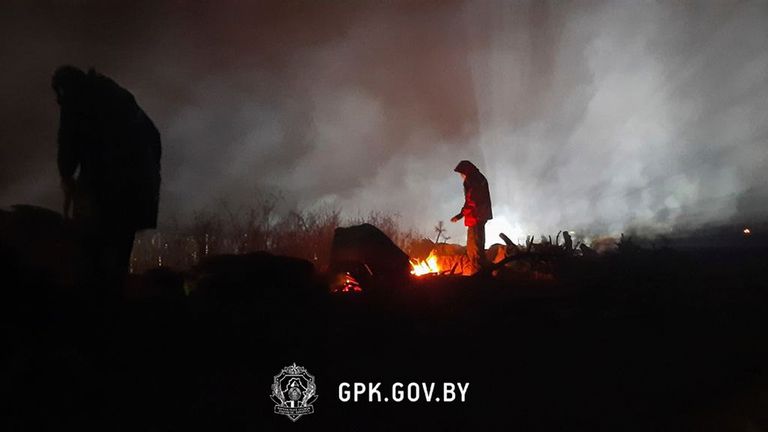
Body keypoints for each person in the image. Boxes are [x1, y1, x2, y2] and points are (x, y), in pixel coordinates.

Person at [52, 65, 161, 292]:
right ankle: (114, 310)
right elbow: (155, 139)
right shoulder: (122, 99)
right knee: (118, 258)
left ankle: (92, 312)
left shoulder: (76, 99)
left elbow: (68, 145)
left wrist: (67, 176)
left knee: (91, 257)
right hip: (139, 192)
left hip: (105, 191)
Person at [450, 160, 492, 275]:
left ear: (465, 172)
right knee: (478, 247)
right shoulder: (479, 178)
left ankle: (477, 276)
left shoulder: (472, 180)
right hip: (480, 216)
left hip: (475, 217)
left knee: (474, 250)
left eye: (461, 173)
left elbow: (471, 201)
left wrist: (460, 215)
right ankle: (481, 273)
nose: (461, 177)